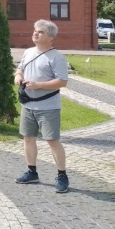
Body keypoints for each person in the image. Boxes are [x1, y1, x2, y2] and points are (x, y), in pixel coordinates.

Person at [14, 19, 70, 193]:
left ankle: (62, 175)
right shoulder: (29, 52)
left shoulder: (57, 57)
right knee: (28, 138)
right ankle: (32, 172)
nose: (35, 33)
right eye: (35, 30)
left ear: (51, 37)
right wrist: (17, 76)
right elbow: (20, 68)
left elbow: (62, 82)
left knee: (52, 140)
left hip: (48, 107)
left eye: (41, 32)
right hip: (28, 105)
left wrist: (39, 85)